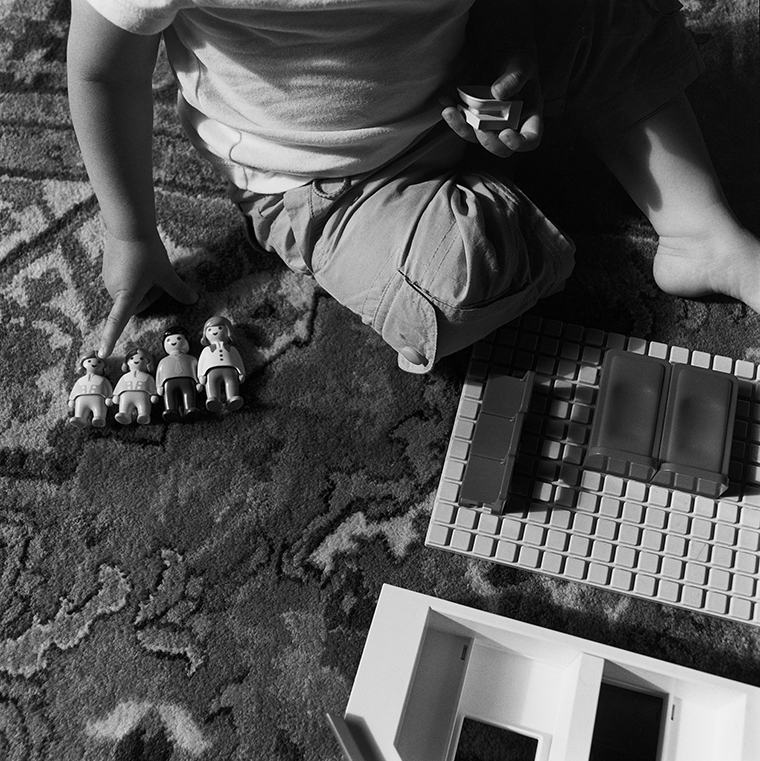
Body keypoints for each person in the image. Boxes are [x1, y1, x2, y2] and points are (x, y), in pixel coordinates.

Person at [67, 0, 760, 373]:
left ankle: (700, 230)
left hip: (463, 82)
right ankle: (502, 203)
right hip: (325, 181)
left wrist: (509, 47)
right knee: (450, 285)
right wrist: (131, 233)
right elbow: (106, 72)